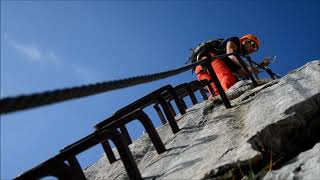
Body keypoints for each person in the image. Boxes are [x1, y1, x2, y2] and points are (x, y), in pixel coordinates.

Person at [194, 34, 260, 96]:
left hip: (200, 67)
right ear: (246, 41)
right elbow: (230, 54)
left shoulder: (235, 61)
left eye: (255, 50)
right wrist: (248, 66)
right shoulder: (235, 40)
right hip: (209, 58)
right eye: (253, 46)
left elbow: (240, 72)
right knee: (228, 79)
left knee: (216, 93)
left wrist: (254, 69)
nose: (253, 50)